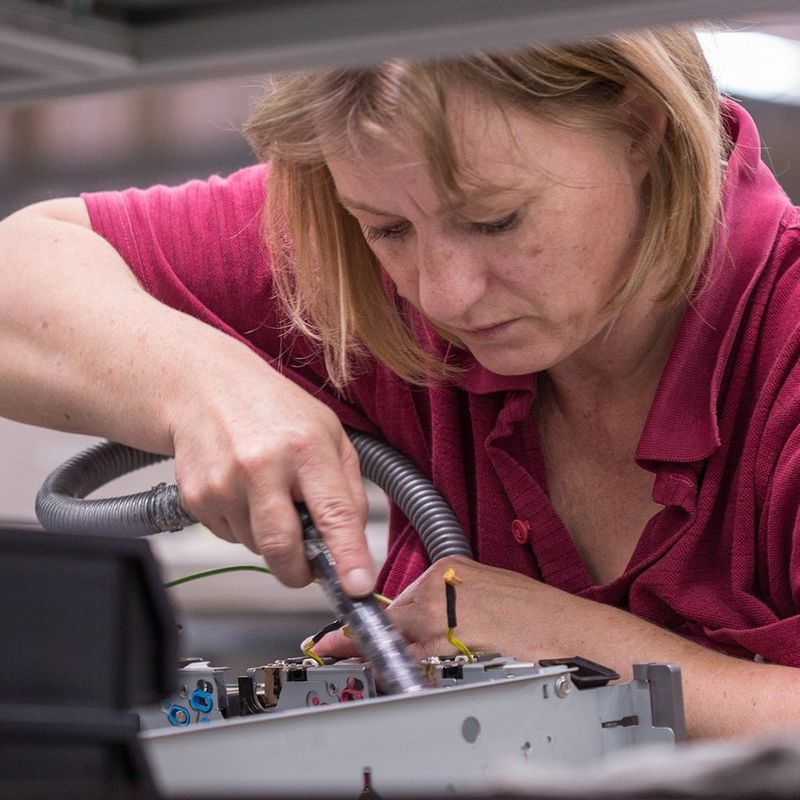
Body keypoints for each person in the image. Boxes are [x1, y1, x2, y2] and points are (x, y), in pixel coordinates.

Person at [1, 25, 799, 741]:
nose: (444, 295)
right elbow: (22, 271)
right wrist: (203, 385)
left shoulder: (785, 339)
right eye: (386, 229)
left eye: (496, 220)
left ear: (639, 127)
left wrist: (577, 648)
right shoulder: (358, 249)